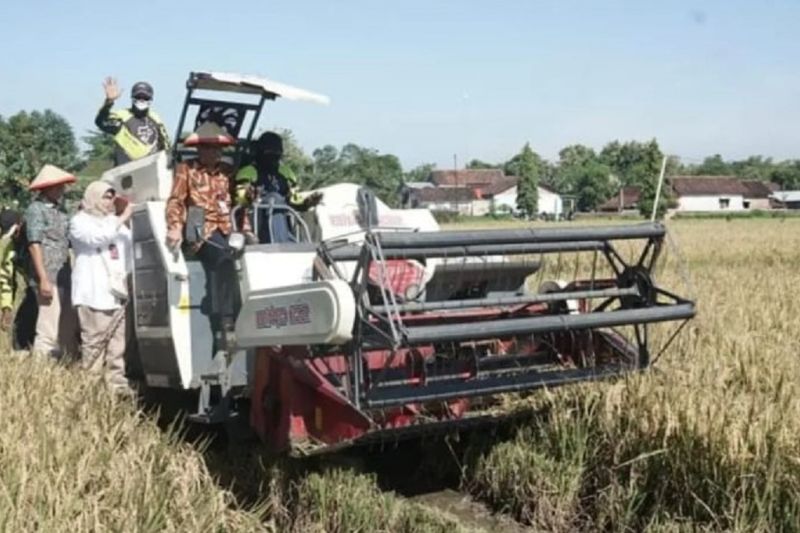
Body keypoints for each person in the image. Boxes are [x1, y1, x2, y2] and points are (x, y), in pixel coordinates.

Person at [165, 122, 239, 354]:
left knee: (245, 258)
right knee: (222, 257)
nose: (214, 152)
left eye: (218, 148)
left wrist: (246, 229)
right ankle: (225, 322)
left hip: (228, 228)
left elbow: (239, 204)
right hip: (201, 231)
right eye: (208, 147)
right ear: (199, 149)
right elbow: (176, 200)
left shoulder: (227, 172)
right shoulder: (186, 169)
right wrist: (175, 227)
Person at [70, 181, 135, 396]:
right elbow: (96, 239)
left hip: (116, 292)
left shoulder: (114, 221)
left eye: (112, 198)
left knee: (117, 345)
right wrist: (122, 218)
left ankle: (116, 385)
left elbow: (127, 248)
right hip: (93, 291)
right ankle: (91, 387)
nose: (110, 202)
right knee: (95, 342)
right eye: (106, 197)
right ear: (94, 198)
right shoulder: (80, 222)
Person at [24, 165, 79, 358]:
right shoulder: (36, 210)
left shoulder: (61, 211)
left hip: (64, 273)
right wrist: (43, 278)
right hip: (48, 272)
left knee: (67, 322)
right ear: (46, 188)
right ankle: (43, 366)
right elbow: (34, 243)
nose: (61, 190)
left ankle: (65, 361)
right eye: (57, 186)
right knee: (49, 323)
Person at [235, 131, 322, 242]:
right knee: (274, 198)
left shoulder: (286, 172)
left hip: (284, 218)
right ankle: (280, 242)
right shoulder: (247, 172)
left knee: (310, 212)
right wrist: (249, 195)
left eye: (276, 152)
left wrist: (308, 202)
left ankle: (305, 244)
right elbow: (240, 200)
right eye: (270, 152)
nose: (273, 156)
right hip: (255, 219)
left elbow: (294, 199)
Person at [95, 77, 170, 166]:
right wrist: (109, 101)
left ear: (150, 99)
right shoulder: (122, 116)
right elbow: (100, 122)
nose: (141, 100)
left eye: (145, 97)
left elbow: (167, 146)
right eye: (138, 97)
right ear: (132, 97)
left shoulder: (156, 118)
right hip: (125, 172)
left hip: (152, 170)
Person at [0, 209, 38, 349]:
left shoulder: (37, 239)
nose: (14, 237)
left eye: (15, 232)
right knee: (21, 329)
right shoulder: (10, 248)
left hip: (51, 288)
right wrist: (6, 307)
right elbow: (6, 279)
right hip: (32, 290)